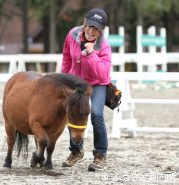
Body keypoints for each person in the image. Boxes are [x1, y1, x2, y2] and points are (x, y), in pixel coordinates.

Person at [61, 8, 111, 171]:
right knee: (73, 112)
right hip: (77, 82)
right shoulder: (72, 34)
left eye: (96, 28)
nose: (92, 30)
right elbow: (67, 56)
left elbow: (103, 73)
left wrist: (91, 54)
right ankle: (76, 151)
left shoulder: (103, 45)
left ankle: (100, 155)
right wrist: (65, 77)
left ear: (101, 30)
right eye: (90, 26)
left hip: (98, 83)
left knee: (96, 114)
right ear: (84, 23)